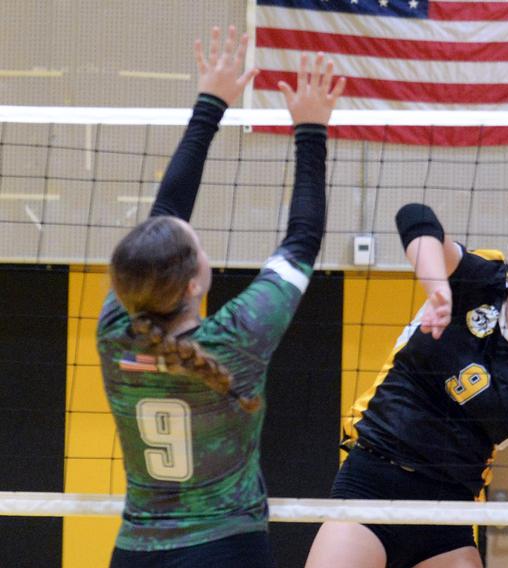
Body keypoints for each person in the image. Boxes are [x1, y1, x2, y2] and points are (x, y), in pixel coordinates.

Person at [97, 25, 345, 568]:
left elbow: (168, 211)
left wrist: (211, 104)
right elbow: (303, 238)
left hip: (138, 552)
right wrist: (311, 130)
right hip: (225, 548)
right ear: (194, 283)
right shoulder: (236, 339)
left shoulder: (114, 331)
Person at [304, 197, 508, 564]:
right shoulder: (481, 280)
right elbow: (414, 215)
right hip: (372, 484)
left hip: (450, 517)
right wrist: (439, 287)